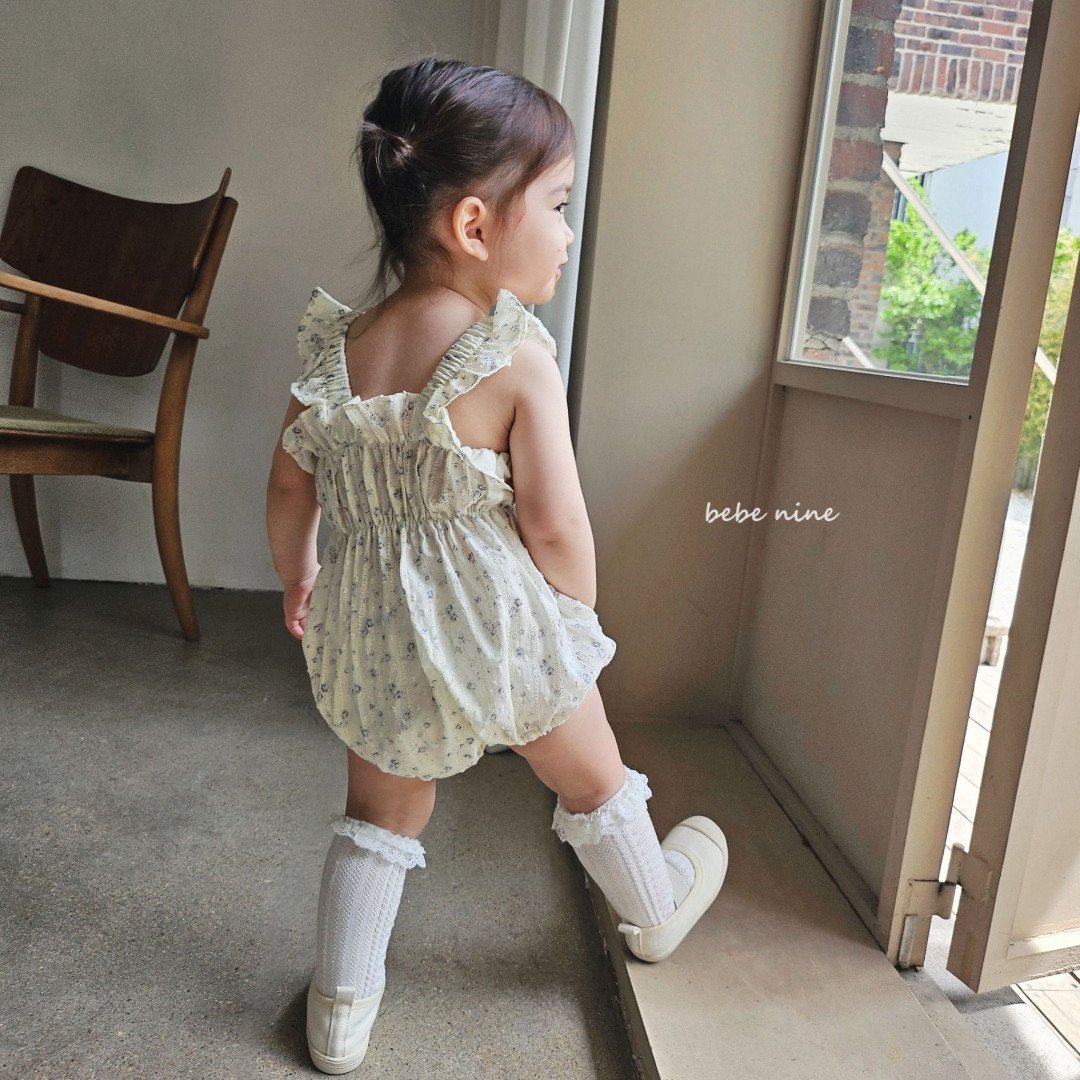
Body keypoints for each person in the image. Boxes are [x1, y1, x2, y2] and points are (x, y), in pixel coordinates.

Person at [265, 55, 729, 1075]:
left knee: (380, 815)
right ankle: (655, 907)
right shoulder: (511, 353)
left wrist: (299, 573)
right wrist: (575, 614)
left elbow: (290, 487)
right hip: (505, 624)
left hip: (377, 630)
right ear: (475, 226)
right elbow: (555, 522)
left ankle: (341, 1010)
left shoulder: (332, 355)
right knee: (591, 778)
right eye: (559, 206)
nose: (568, 232)